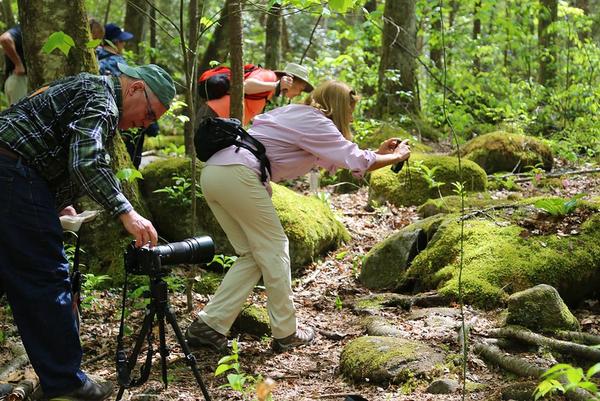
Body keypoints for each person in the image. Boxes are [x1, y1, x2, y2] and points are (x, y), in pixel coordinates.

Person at [186, 80, 411, 353]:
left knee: (253, 256)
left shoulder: (296, 114)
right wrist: (397, 157)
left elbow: (345, 160)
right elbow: (354, 158)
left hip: (215, 173)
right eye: (350, 111)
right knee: (275, 247)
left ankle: (208, 326)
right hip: (238, 173)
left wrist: (380, 154)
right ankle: (286, 332)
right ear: (339, 107)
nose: (351, 117)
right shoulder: (317, 122)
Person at [0, 63, 175, 400]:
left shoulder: (86, 87)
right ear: (136, 88)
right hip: (12, 174)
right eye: (150, 115)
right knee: (46, 278)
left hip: (14, 172)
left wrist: (54, 202)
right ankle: (66, 384)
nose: (144, 124)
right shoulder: (103, 100)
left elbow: (54, 145)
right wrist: (127, 212)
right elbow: (86, 160)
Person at [198, 62, 314, 126]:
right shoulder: (269, 76)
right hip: (212, 117)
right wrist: (276, 86)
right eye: (301, 89)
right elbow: (245, 86)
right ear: (292, 80)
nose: (299, 94)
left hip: (220, 121)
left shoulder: (269, 90)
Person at [0, 25, 27, 105]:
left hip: (20, 80)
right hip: (19, 80)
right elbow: (5, 39)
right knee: (21, 114)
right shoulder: (22, 28)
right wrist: (18, 64)